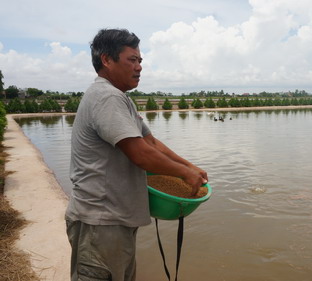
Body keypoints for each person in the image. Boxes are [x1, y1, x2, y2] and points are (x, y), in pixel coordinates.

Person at [65, 28, 208, 281]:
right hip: (100, 223)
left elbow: (150, 141)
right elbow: (140, 153)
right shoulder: (106, 97)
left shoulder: (121, 98)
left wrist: (190, 166)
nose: (139, 67)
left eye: (140, 60)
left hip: (115, 222)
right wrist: (184, 173)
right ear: (107, 60)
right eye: (132, 59)